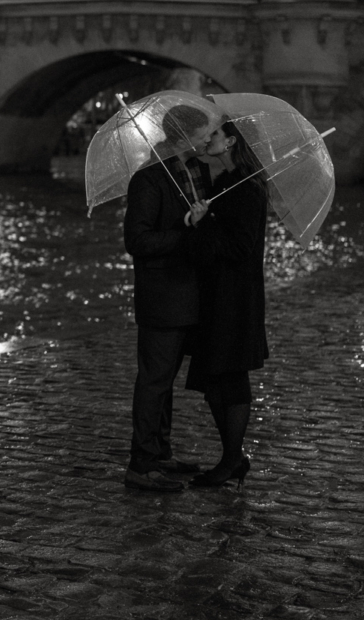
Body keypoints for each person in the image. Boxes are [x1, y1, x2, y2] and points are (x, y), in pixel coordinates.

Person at [122, 104, 215, 492]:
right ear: (183, 137)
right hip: (162, 295)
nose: (208, 139)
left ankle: (160, 452)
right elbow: (137, 241)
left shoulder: (196, 171)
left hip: (188, 292)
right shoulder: (149, 179)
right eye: (203, 134)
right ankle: (141, 464)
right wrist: (186, 230)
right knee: (154, 380)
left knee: (166, 381)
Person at [184, 120, 270, 488]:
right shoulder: (223, 186)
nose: (208, 138)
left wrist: (206, 226)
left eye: (215, 134)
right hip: (216, 295)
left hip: (235, 298)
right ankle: (231, 457)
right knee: (214, 378)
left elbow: (240, 248)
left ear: (231, 141)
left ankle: (232, 459)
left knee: (230, 378)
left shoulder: (248, 190)